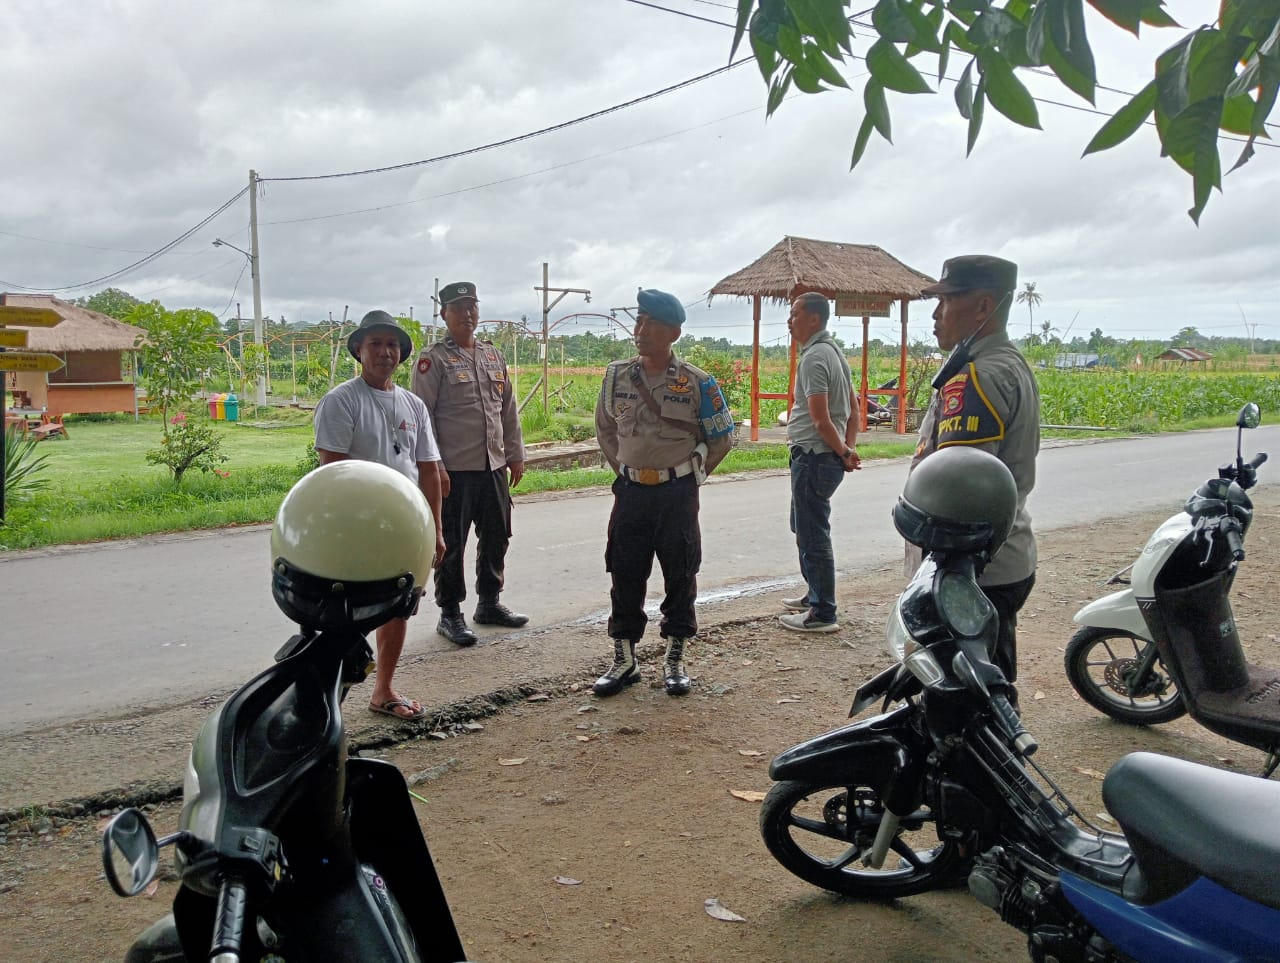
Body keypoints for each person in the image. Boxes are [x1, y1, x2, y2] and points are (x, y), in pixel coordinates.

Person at [592, 288, 735, 698]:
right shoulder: (616, 375)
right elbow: (604, 428)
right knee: (624, 570)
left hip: (677, 493)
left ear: (672, 332)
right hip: (632, 491)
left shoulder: (697, 382)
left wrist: (693, 475)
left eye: (650, 323)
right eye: (639, 321)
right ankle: (624, 658)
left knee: (680, 572)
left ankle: (675, 657)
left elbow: (723, 437)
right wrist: (624, 468)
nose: (640, 330)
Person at [906, 255, 1040, 684]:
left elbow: (959, 500)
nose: (935, 312)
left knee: (969, 701)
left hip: (972, 574)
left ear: (983, 307)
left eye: (947, 300)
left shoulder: (978, 377)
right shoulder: (1002, 363)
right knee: (987, 688)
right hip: (999, 563)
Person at [313, 309, 445, 721]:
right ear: (359, 350)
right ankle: (323, 705)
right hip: (357, 528)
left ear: (402, 353)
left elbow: (429, 470)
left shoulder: (414, 405)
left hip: (405, 526)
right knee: (347, 616)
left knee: (398, 606)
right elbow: (331, 471)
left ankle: (383, 690)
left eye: (392, 345)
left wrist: (435, 532)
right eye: (376, 344)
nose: (385, 352)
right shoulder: (341, 401)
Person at [412, 281, 528, 647]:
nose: (467, 314)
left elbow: (507, 409)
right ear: (444, 313)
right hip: (453, 471)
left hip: (492, 465)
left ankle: (489, 603)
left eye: (472, 307)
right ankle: (450, 613)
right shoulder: (434, 360)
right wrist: (434, 466)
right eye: (458, 308)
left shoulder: (493, 356)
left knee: (497, 534)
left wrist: (515, 453)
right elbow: (422, 416)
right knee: (452, 542)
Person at [779, 291, 860, 634]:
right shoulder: (834, 352)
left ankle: (823, 612)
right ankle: (815, 595)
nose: (790, 320)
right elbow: (855, 409)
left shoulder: (814, 358)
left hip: (814, 456)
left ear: (814, 318)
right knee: (804, 526)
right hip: (823, 455)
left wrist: (842, 451)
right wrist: (848, 448)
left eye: (795, 314)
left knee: (813, 533)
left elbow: (820, 419)